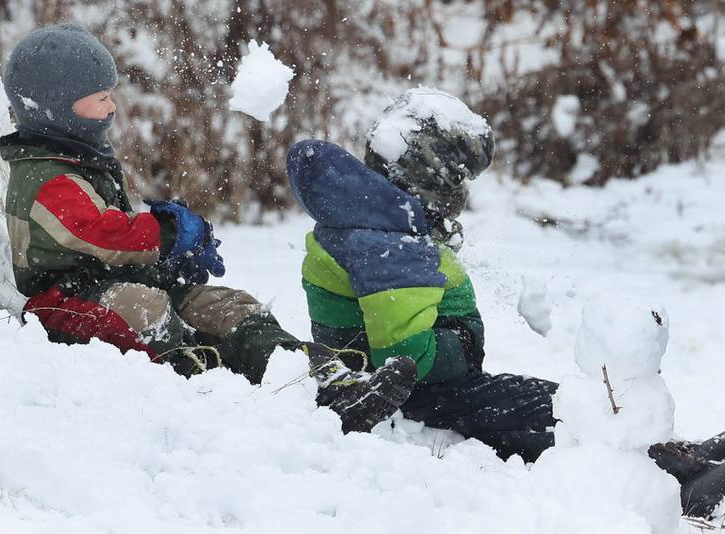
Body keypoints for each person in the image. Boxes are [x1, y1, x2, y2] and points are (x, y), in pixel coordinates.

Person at [286, 87, 725, 518]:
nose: (461, 191)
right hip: (408, 399)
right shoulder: (389, 243)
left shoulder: (371, 217)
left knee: (546, 401)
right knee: (550, 419)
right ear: (428, 174)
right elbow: (406, 357)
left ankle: (670, 453)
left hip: (413, 386)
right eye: (457, 176)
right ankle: (677, 484)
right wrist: (462, 342)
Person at [0, 23, 417, 434]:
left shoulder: (78, 157)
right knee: (147, 308)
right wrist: (167, 234)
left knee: (226, 304)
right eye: (101, 98)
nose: (111, 108)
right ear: (53, 107)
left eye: (111, 96)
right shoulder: (45, 179)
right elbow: (102, 234)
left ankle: (321, 378)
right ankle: (207, 386)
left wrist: (171, 260)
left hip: (114, 277)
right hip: (68, 299)